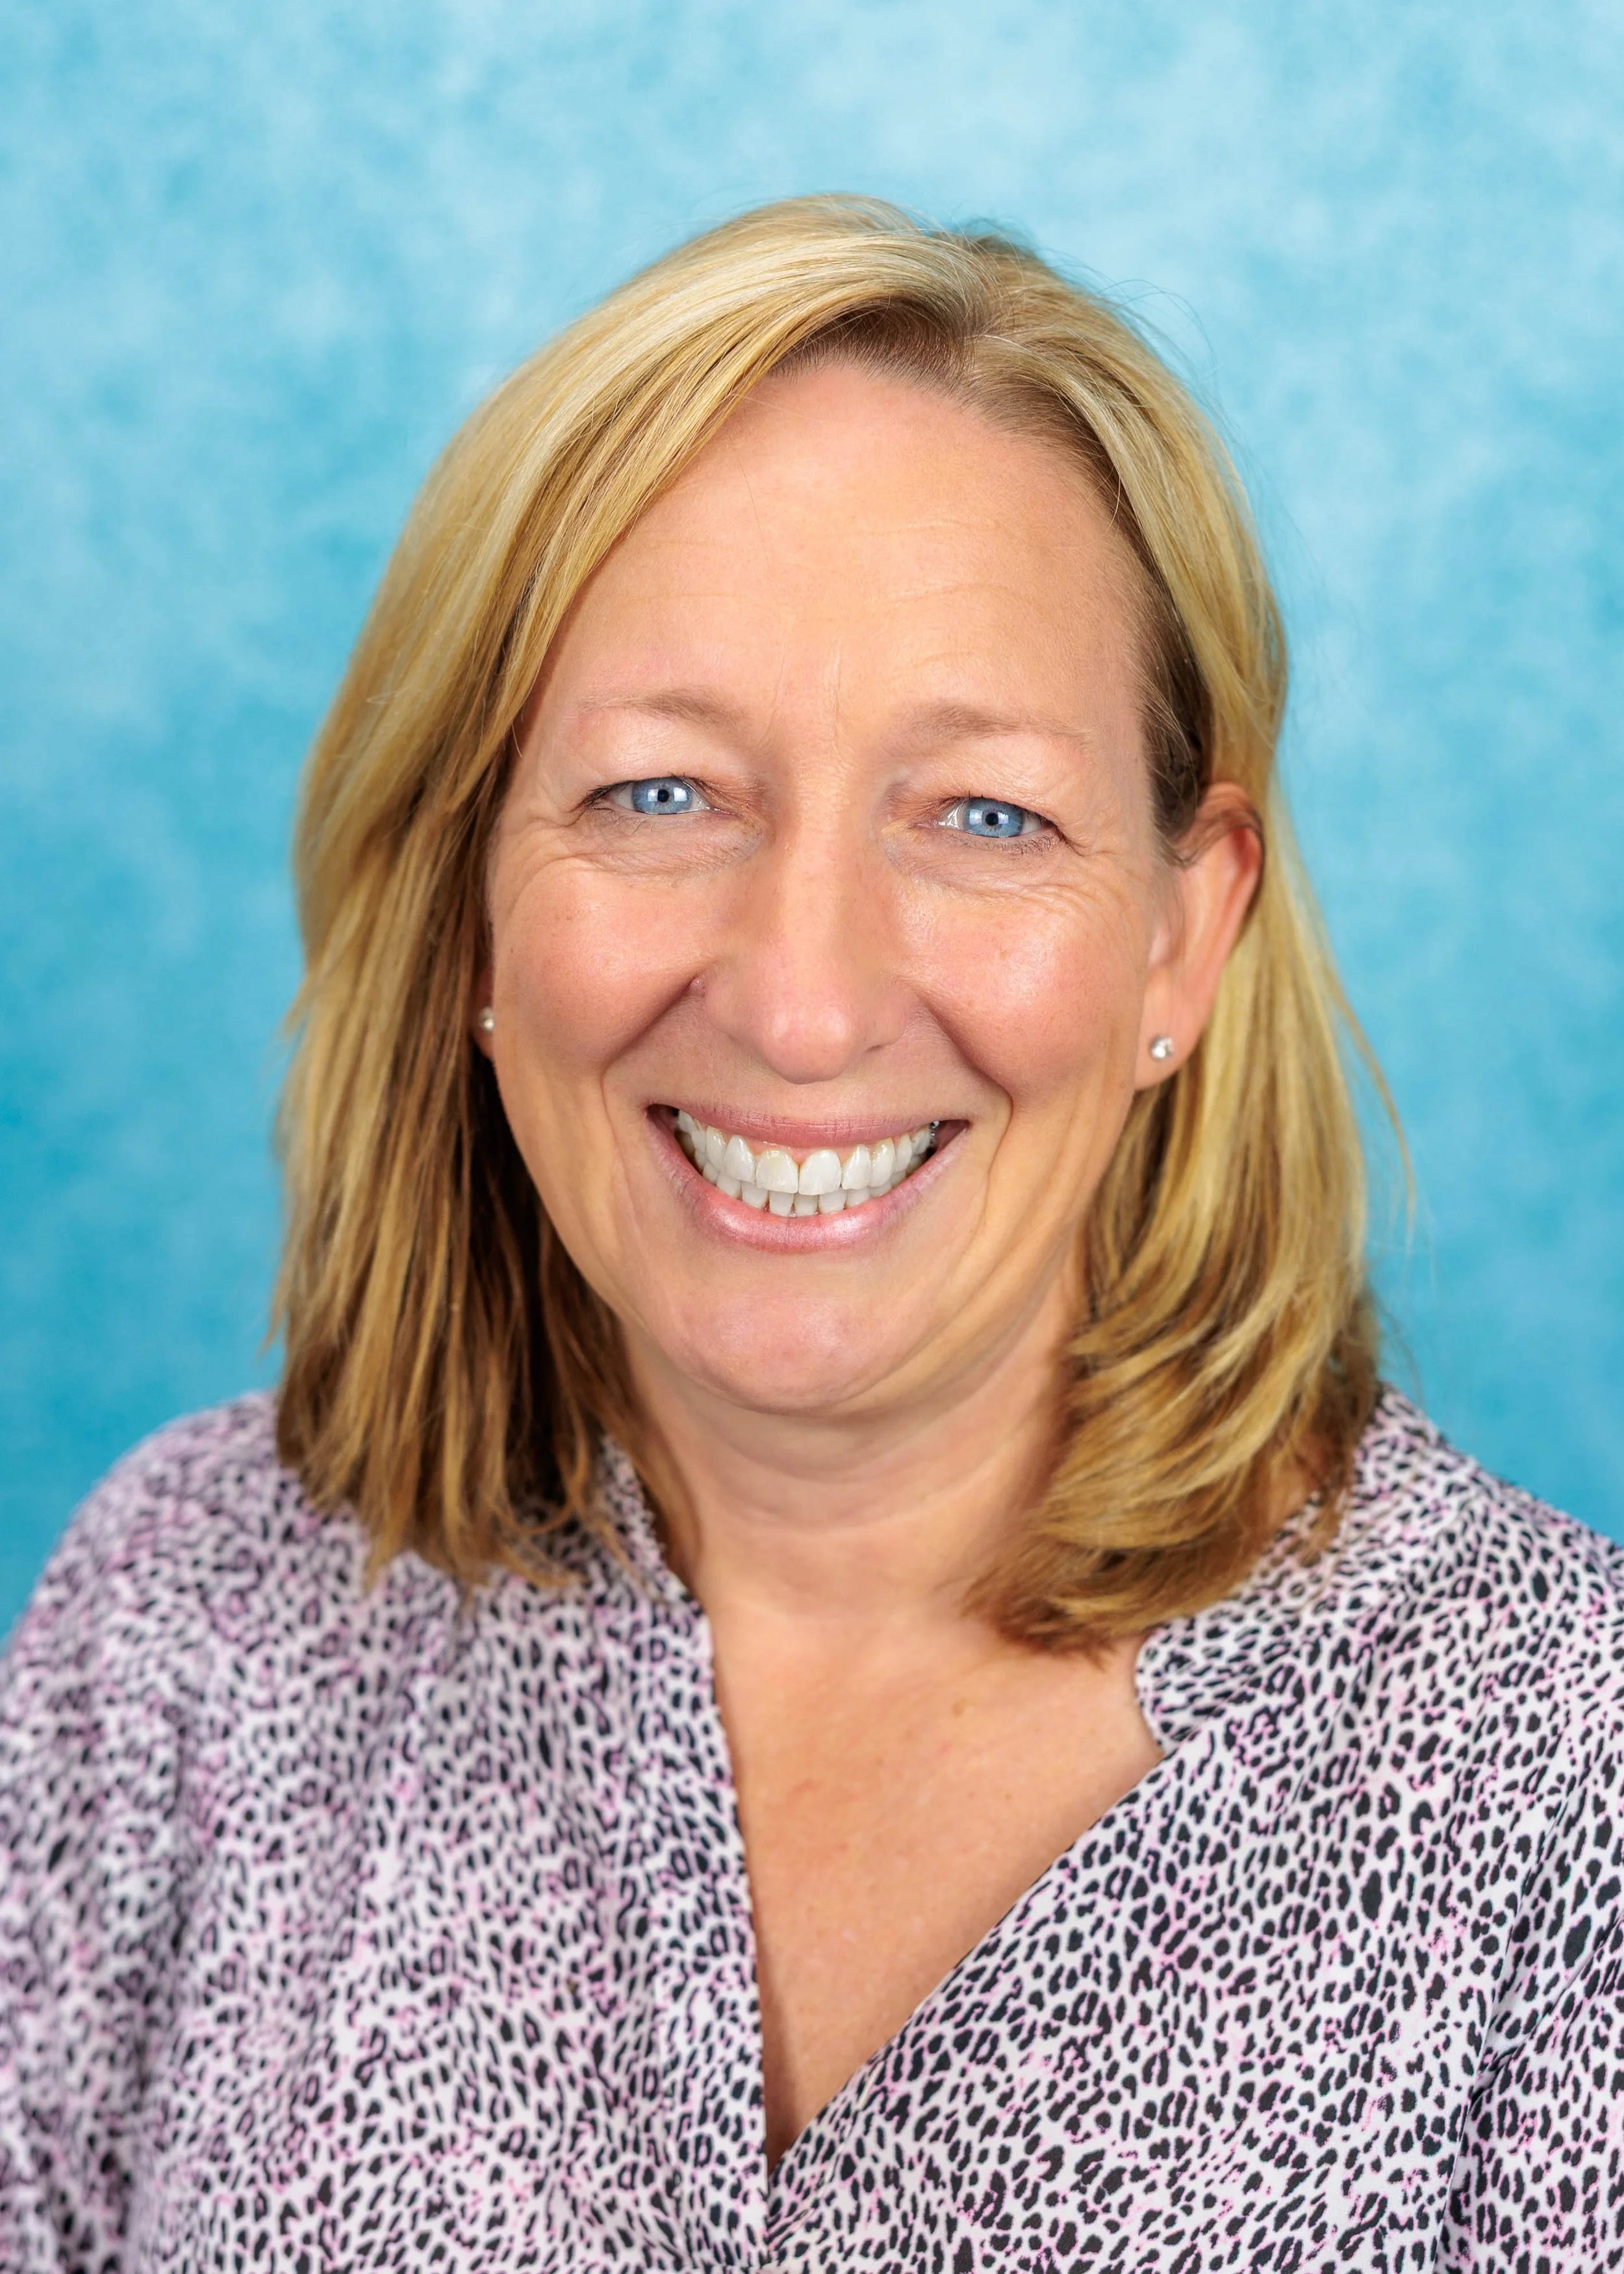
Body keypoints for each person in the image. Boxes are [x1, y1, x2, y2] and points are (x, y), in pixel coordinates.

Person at [2, 196, 1619, 2274]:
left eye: (983, 816)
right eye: (664, 793)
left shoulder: (1566, 1784)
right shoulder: (187, 1630)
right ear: (472, 893)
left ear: (1179, 933)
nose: (799, 999)